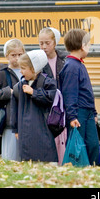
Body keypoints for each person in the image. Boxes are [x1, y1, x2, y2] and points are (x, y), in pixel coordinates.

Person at [10, 49, 58, 163]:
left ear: (34, 69)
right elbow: (14, 110)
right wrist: (15, 129)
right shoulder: (18, 87)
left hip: (43, 130)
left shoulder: (48, 82)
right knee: (28, 160)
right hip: (25, 132)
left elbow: (50, 98)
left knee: (45, 159)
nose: (20, 71)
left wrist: (34, 93)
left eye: (23, 68)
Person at [59, 28, 99, 165]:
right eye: (88, 45)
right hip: (78, 113)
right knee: (79, 147)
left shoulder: (79, 64)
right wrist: (72, 116)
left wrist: (94, 112)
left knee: (93, 144)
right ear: (82, 46)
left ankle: (89, 169)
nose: (89, 48)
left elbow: (87, 92)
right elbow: (69, 94)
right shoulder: (71, 67)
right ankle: (79, 171)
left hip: (87, 112)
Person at [0, 39, 25, 161]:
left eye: (20, 55)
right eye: (13, 55)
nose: (17, 58)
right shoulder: (1, 74)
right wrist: (8, 92)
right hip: (9, 120)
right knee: (11, 155)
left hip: (25, 118)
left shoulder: (27, 70)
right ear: (7, 56)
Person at [38, 27, 67, 165]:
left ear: (55, 43)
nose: (43, 47)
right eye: (41, 43)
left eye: (47, 43)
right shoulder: (38, 62)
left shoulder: (64, 60)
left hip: (62, 109)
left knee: (63, 141)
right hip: (46, 109)